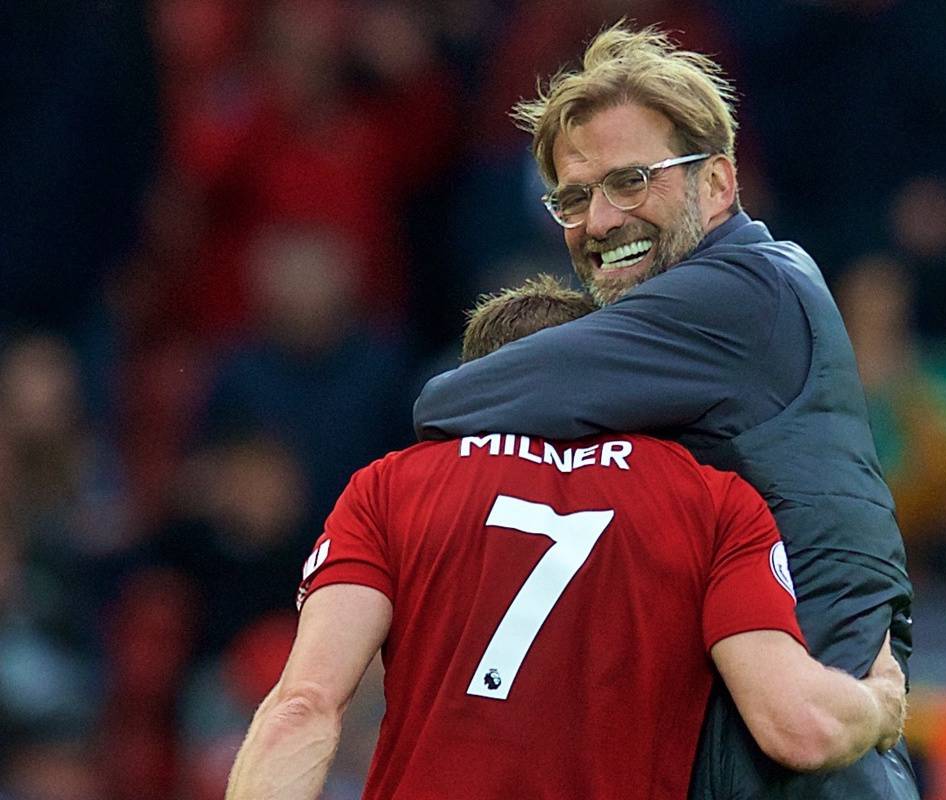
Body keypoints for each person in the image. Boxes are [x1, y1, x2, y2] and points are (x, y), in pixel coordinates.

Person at [413, 24, 917, 800]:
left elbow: (453, 397)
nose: (602, 222)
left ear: (717, 184)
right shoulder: (753, 296)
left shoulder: (741, 292)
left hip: (803, 769)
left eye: (631, 181)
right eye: (575, 198)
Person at [225, 277, 907, 800]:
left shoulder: (390, 486)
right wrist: (877, 706)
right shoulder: (711, 499)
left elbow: (305, 706)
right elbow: (797, 724)